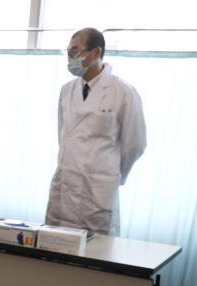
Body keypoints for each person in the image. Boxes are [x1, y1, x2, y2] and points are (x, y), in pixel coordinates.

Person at [45, 28, 146, 236]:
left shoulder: (123, 91)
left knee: (96, 255)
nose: (70, 57)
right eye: (68, 52)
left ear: (96, 52)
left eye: (75, 51)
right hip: (65, 185)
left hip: (98, 189)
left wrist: (112, 174)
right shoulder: (66, 90)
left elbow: (135, 144)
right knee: (56, 249)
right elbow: (62, 136)